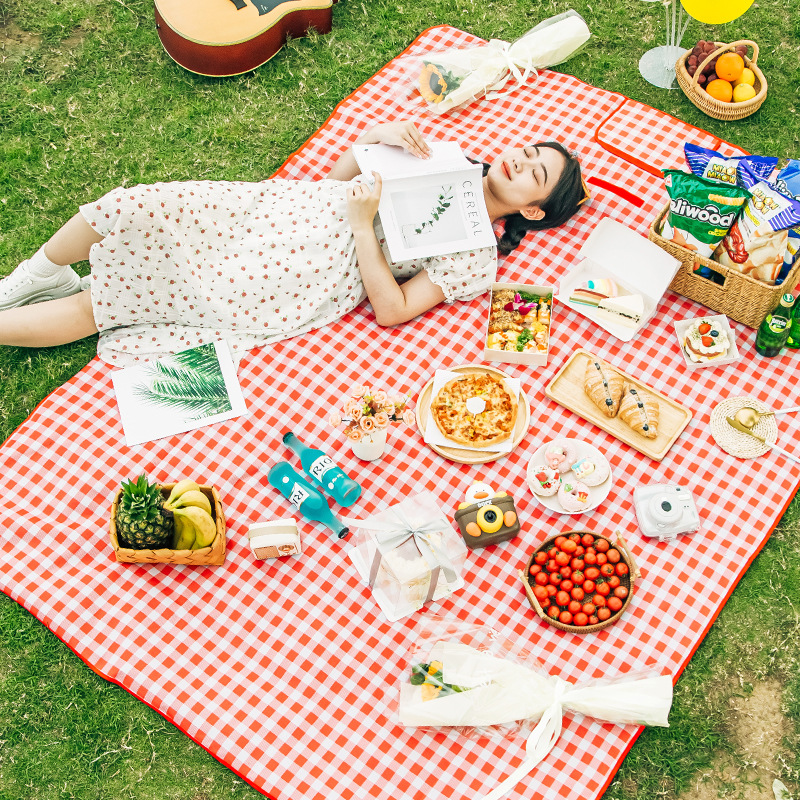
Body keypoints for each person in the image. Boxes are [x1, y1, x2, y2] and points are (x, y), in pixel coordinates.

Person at [0, 121, 586, 365]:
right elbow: (334, 180)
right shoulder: (444, 157)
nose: (520, 160)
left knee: (122, 301)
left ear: (532, 210)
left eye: (534, 173)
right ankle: (37, 272)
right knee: (142, 204)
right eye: (529, 150)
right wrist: (373, 140)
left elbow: (393, 309)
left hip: (311, 271)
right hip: (288, 208)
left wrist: (363, 226)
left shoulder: (477, 257)